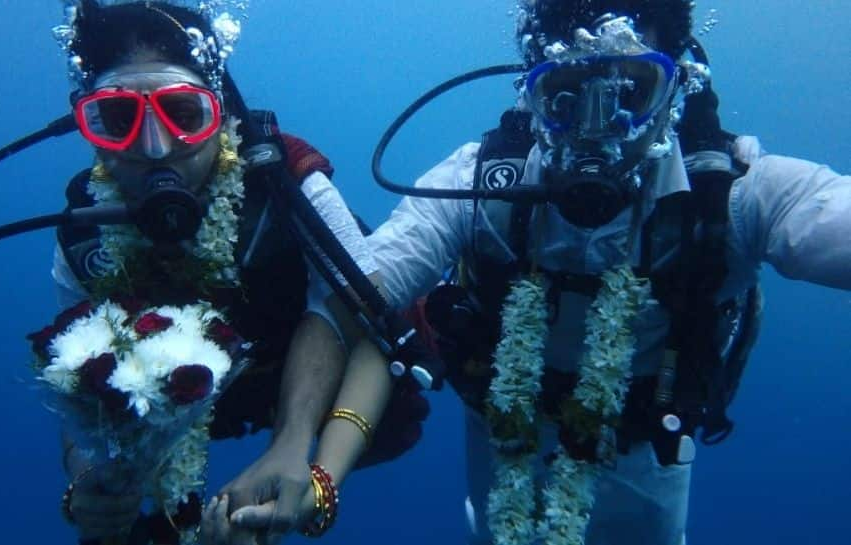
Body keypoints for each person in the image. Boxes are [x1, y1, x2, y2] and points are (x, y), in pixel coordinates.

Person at [224, 1, 851, 544]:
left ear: (677, 88)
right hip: (505, 443)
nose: (596, 129)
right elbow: (349, 300)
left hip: (645, 457)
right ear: (531, 92)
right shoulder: (480, 186)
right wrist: (292, 443)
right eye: (566, 98)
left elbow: (828, 219)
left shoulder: (733, 196)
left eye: (632, 93)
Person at [46, 1, 428, 543]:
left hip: (285, 374)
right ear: (87, 123)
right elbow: (78, 377)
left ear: (220, 112)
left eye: (184, 112)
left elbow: (363, 308)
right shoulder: (82, 236)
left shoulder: (287, 182)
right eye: (117, 118)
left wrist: (301, 451)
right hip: (191, 398)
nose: (156, 148)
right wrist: (85, 478)